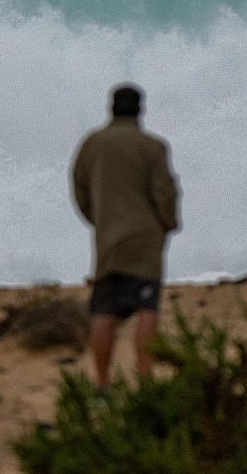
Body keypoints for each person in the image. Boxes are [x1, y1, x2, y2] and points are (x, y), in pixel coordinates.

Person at [71, 83, 180, 384]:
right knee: (146, 309)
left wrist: (98, 220)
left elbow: (79, 188)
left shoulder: (92, 144)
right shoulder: (153, 147)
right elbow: (164, 193)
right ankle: (145, 381)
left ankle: (102, 383)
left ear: (111, 107)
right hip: (145, 240)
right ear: (140, 109)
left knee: (103, 312)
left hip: (108, 240)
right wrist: (168, 223)